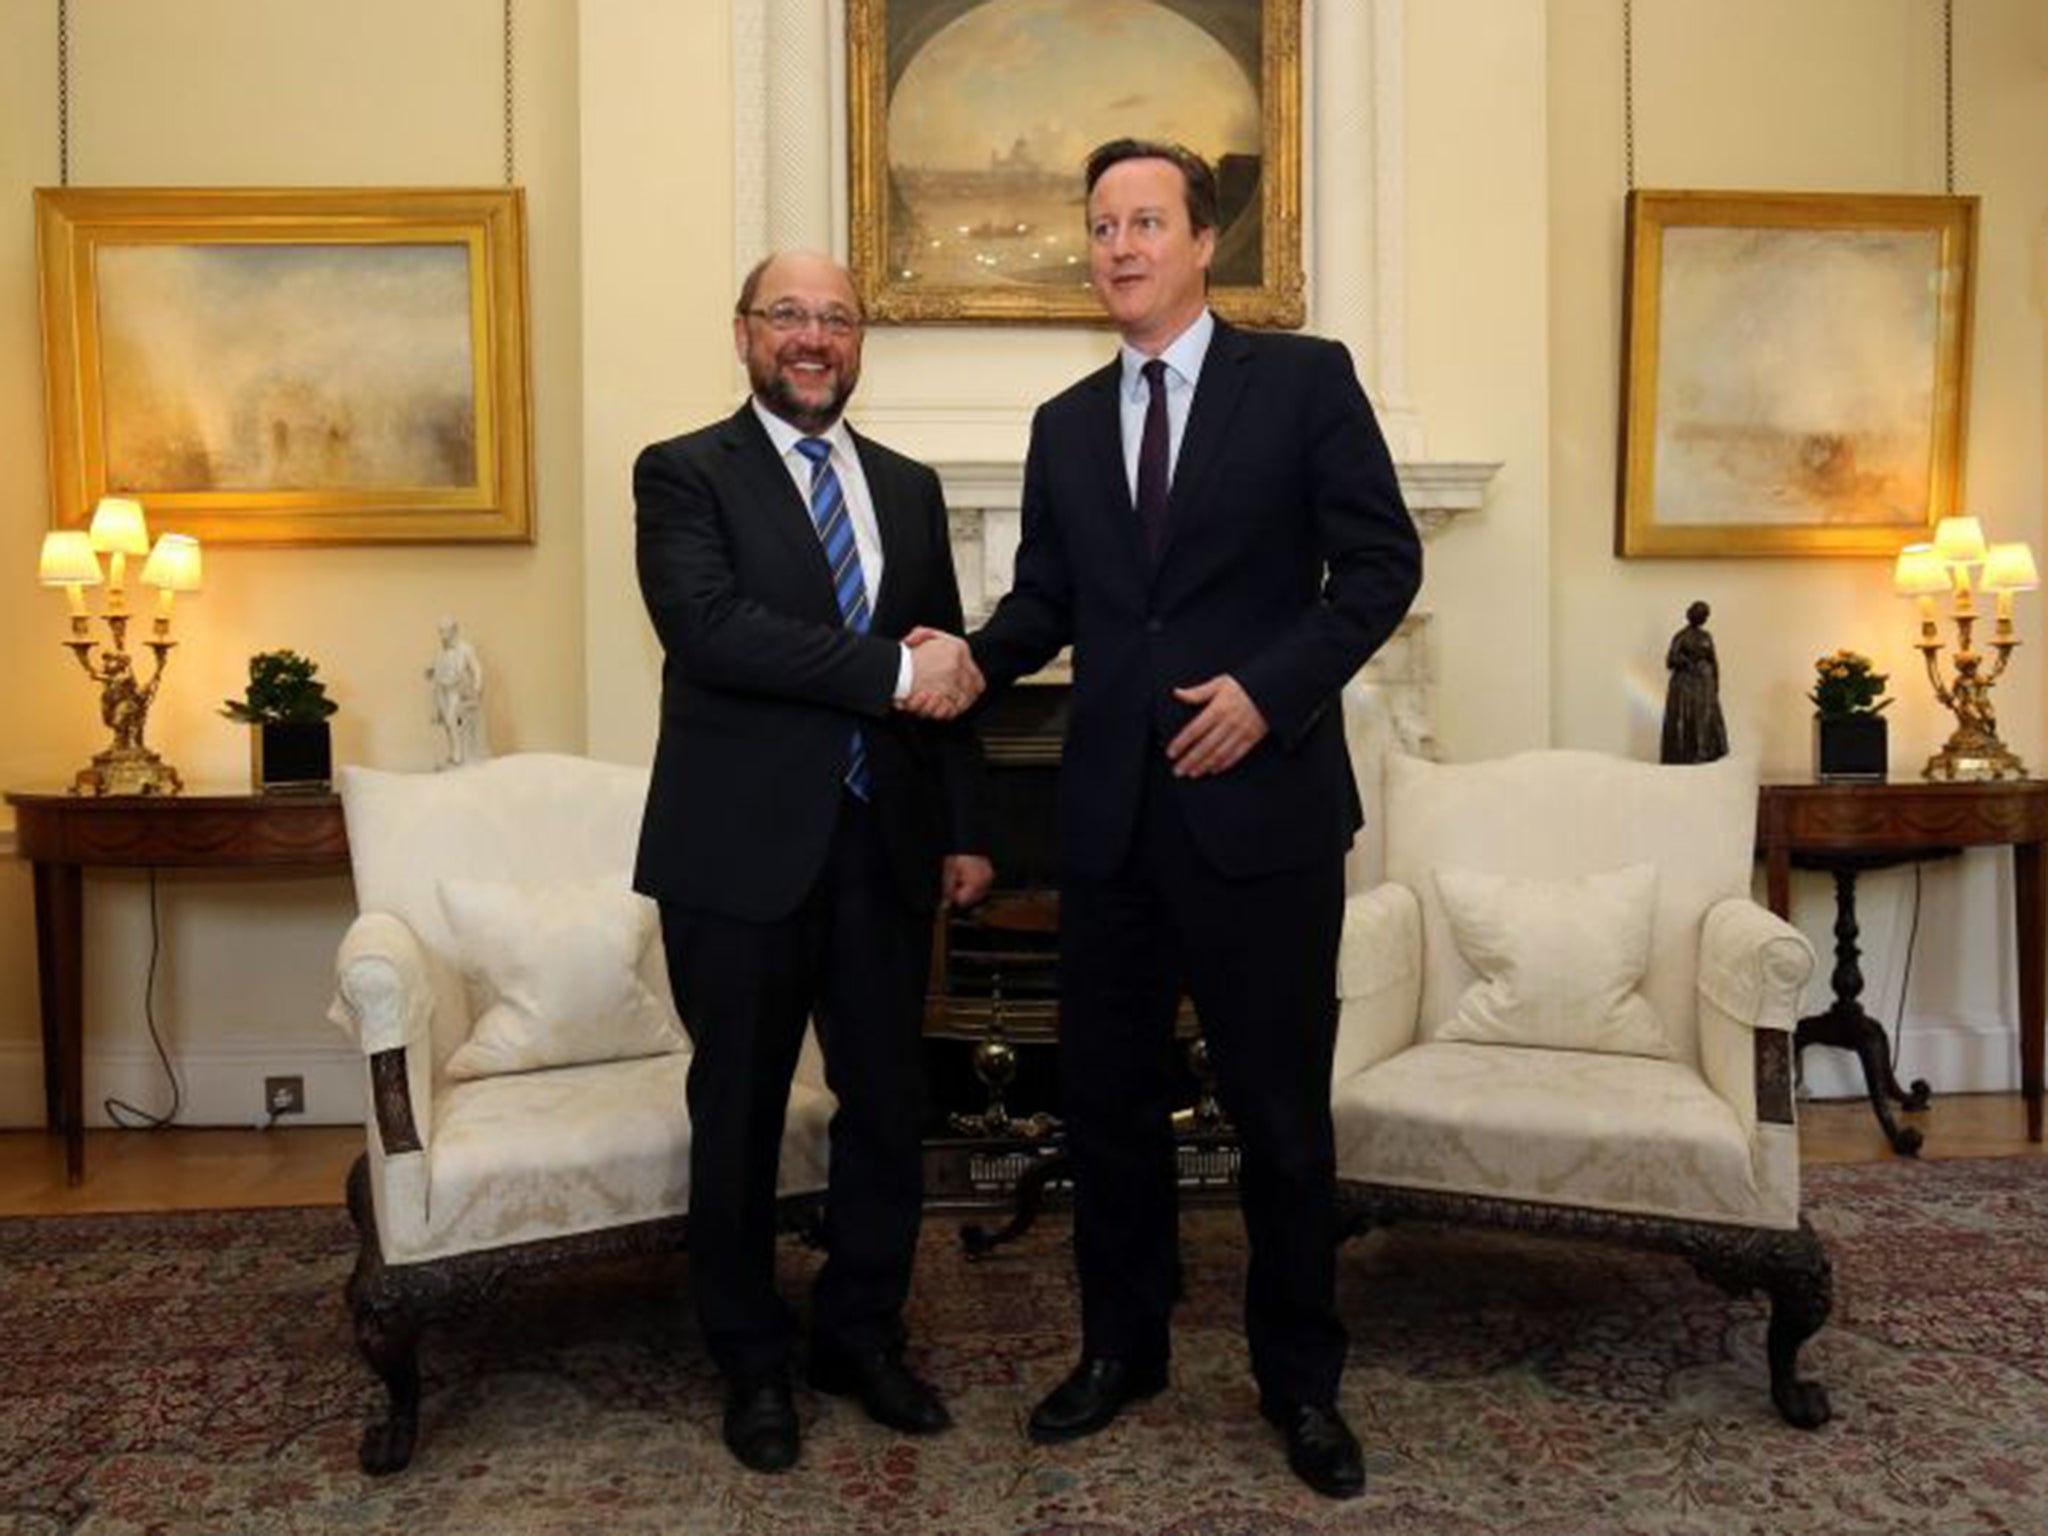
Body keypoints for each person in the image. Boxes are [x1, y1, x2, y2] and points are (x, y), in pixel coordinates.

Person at [963, 140, 1422, 1499]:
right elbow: (1049, 601)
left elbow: (1381, 563)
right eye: (1100, 224)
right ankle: (1124, 1352)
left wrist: (1270, 694)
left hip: (1261, 815)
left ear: (1201, 240)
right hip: (1107, 826)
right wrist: (967, 662)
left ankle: (1300, 1384)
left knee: (1281, 1119)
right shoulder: (1059, 425)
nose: (1119, 245)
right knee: (1104, 1110)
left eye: (1145, 220)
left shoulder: (1303, 382)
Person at [632, 250, 992, 1476]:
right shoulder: (683, 474)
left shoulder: (907, 485)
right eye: (789, 313)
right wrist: (892, 671)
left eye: (836, 318)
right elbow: (711, 629)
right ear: (742, 333)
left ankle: (858, 1334)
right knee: (735, 1114)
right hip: (736, 854)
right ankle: (747, 1361)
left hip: (880, 847)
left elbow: (945, 661)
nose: (814, 336)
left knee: (890, 1108)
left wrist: (963, 826)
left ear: (857, 343)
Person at [1660, 600, 1729, 764]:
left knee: (1706, 718)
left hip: (1705, 685)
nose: (1702, 617)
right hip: (1686, 686)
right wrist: (1686, 662)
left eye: (1704, 614)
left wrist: (1715, 682)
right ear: (1690, 614)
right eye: (1699, 613)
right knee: (1689, 719)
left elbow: (1713, 660)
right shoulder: (1681, 636)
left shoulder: (1706, 637)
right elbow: (1670, 659)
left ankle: (1706, 751)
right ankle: (1687, 753)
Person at [427, 617, 490, 768]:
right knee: (448, 724)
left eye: (445, 630)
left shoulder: (465, 649)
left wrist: (477, 686)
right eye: (440, 631)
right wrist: (432, 672)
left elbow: (476, 668)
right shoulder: (441, 653)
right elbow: (440, 671)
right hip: (443, 691)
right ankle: (454, 752)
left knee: (452, 717)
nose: (442, 634)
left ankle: (459, 755)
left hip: (459, 690)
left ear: (454, 630)